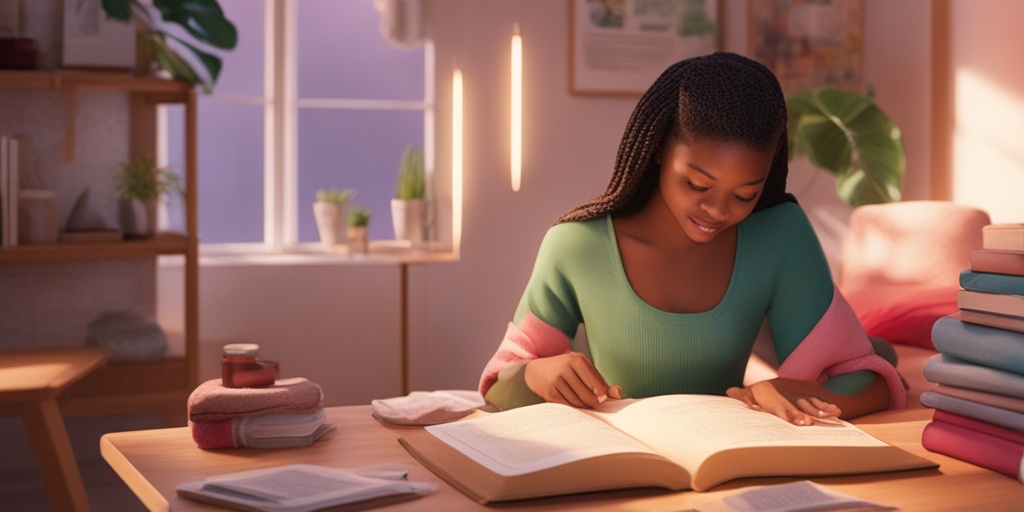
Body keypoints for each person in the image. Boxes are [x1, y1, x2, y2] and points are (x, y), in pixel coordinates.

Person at [477, 51, 906, 426]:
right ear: (661, 148)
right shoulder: (577, 246)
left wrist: (807, 396)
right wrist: (535, 373)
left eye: (745, 194)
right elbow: (499, 383)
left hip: (726, 458)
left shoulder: (779, 236)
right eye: (697, 184)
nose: (718, 212)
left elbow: (869, 377)